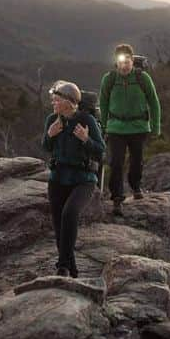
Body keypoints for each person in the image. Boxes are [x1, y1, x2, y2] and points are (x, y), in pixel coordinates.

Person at [42, 80, 105, 278]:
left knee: (70, 214)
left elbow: (101, 152)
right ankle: (70, 268)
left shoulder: (86, 120)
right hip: (58, 178)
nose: (53, 103)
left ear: (69, 101)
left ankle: (62, 265)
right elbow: (46, 147)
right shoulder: (52, 119)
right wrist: (50, 135)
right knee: (59, 224)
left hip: (83, 179)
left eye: (57, 99)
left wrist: (86, 140)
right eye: (53, 99)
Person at [99, 43, 161, 216]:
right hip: (116, 127)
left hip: (138, 127)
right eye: (121, 61)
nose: (124, 65)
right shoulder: (109, 79)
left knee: (136, 161)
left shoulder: (143, 78)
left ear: (132, 60)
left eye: (128, 60)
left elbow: (154, 102)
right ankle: (117, 198)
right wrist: (104, 126)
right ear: (116, 62)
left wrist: (156, 126)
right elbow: (103, 103)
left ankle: (135, 186)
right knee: (116, 162)